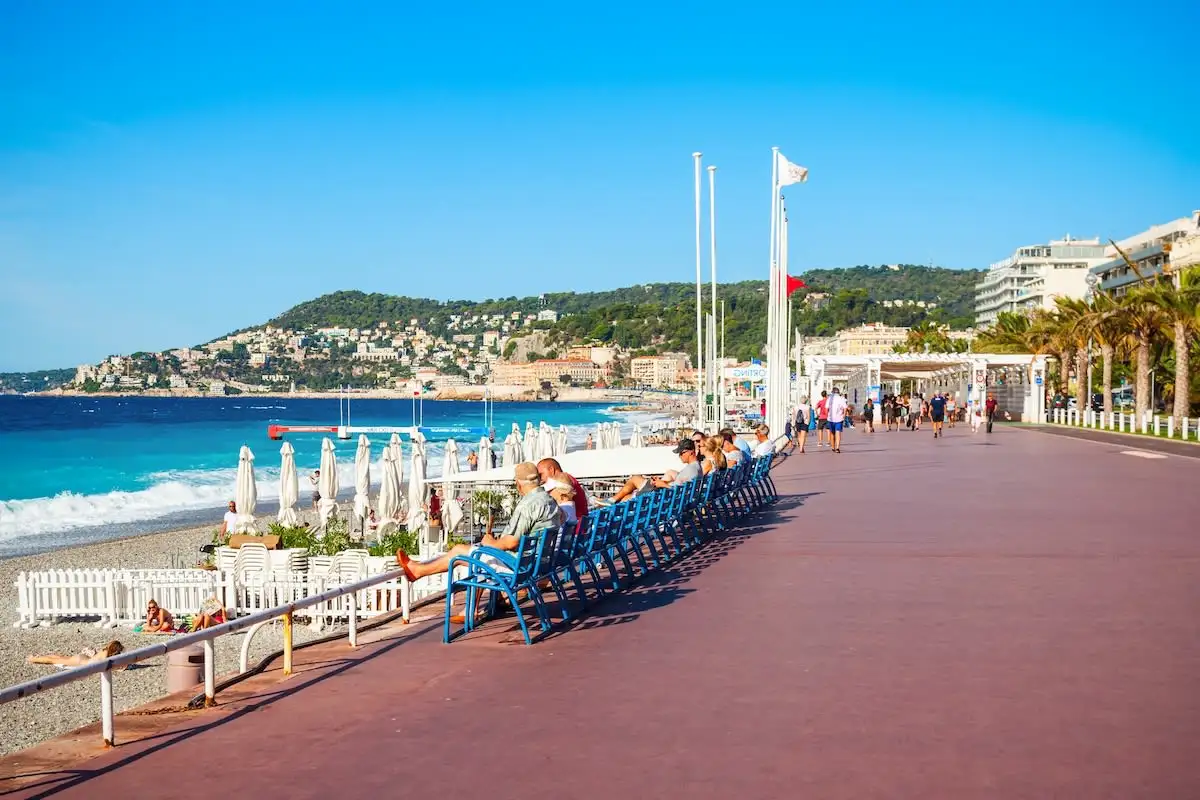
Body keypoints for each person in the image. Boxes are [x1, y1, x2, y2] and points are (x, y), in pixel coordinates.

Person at [396, 462, 560, 581]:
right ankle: (478, 607)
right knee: (471, 552)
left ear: (518, 483)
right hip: (538, 562)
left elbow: (511, 542)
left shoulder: (528, 505)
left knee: (460, 550)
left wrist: (491, 543)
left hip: (519, 566)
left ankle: (418, 571)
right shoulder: (549, 500)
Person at [29, 640, 124, 668]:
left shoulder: (105, 650)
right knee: (54, 660)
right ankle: (33, 659)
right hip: (82, 661)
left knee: (60, 658)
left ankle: (37, 656)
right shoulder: (106, 654)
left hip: (83, 658)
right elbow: (105, 662)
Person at [826, 387, 848, 453]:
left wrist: (827, 415)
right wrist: (844, 415)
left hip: (831, 419)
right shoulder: (841, 399)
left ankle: (833, 447)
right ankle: (837, 447)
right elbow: (845, 408)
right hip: (839, 418)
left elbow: (826, 408)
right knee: (838, 432)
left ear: (832, 392)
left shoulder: (829, 398)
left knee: (832, 433)